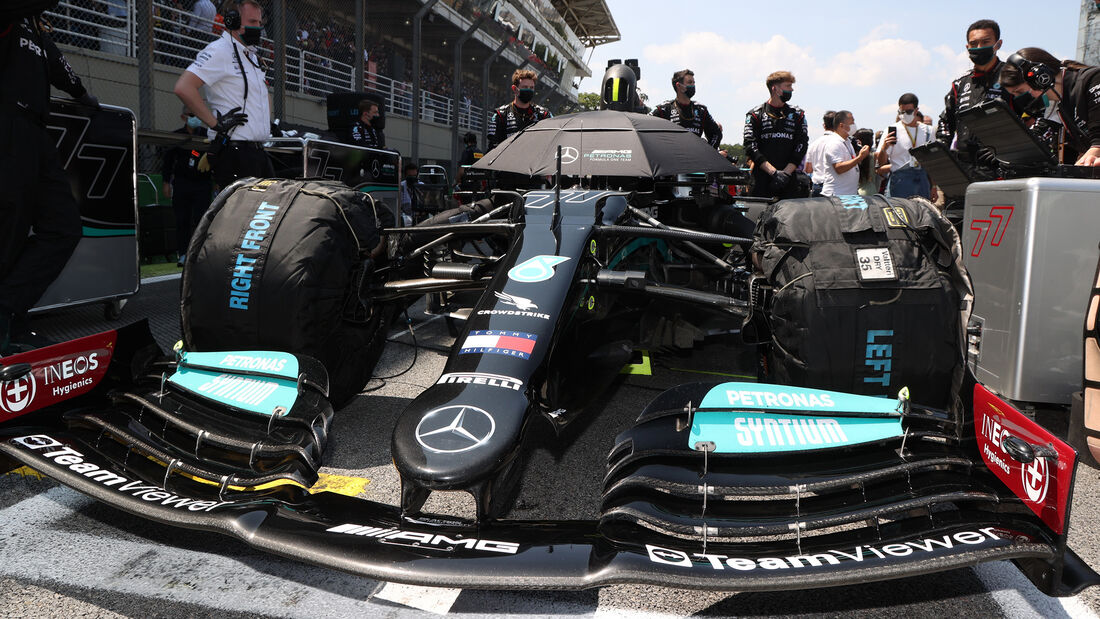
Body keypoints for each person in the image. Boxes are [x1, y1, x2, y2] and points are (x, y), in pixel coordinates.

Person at [0, 9, 99, 354]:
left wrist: (81, 93)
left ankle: (8, 311)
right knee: (9, 225)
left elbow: (57, 64)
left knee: (64, 226)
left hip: (36, 134)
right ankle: (8, 323)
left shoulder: (37, 27)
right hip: (6, 123)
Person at [173, 0, 273, 189]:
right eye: (252, 22)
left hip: (258, 152)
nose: (258, 28)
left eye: (260, 23)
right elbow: (184, 87)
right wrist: (215, 123)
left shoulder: (251, 55)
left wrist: (267, 123)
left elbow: (263, 93)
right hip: (235, 152)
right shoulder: (219, 50)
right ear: (233, 21)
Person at [1001, 47, 1100, 167]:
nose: (1022, 99)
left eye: (1020, 92)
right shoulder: (1060, 106)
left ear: (1041, 78)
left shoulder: (1093, 79)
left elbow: (1097, 143)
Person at [936, 19, 1013, 160]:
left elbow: (1032, 117)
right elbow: (946, 121)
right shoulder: (959, 83)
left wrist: (1007, 149)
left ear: (998, 44)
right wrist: (942, 149)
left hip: (1002, 166)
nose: (979, 47)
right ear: (967, 47)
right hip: (966, 165)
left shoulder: (1012, 76)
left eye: (985, 42)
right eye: (974, 44)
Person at [743, 70, 809, 199]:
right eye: (788, 86)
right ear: (775, 89)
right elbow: (750, 146)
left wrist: (785, 174)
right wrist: (773, 173)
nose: (792, 90)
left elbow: (802, 144)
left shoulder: (798, 114)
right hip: (761, 178)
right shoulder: (755, 114)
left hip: (788, 178)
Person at [163, 105, 213, 267]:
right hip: (182, 182)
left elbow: (216, 157)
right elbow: (167, 162)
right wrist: (166, 182)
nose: (195, 118)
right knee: (181, 219)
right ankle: (183, 253)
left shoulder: (207, 135)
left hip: (202, 183)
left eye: (197, 114)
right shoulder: (177, 136)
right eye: (192, 115)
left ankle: (199, 251)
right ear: (184, 117)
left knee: (201, 218)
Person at [876, 93, 935, 198]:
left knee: (922, 213)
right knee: (898, 213)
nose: (904, 115)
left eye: (908, 112)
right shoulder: (891, 130)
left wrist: (933, 186)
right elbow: (881, 163)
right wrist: (884, 148)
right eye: (901, 112)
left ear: (916, 110)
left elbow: (933, 163)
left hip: (922, 180)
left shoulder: (928, 131)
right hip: (899, 181)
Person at [651, 69, 722, 149]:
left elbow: (716, 134)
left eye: (694, 83)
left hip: (696, 158)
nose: (693, 85)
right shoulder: (664, 109)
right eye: (690, 82)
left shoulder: (701, 110)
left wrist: (708, 151)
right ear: (678, 86)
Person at [486, 69, 552, 150]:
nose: (528, 90)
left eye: (531, 88)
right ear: (514, 89)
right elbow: (492, 148)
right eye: (525, 87)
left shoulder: (543, 114)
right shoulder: (501, 115)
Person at [820, 111, 870, 197]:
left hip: (848, 195)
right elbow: (839, 168)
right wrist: (860, 157)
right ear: (841, 125)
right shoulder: (834, 143)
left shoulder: (847, 141)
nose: (854, 125)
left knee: (862, 209)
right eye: (852, 122)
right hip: (837, 195)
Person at [804, 111, 836, 197]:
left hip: (817, 186)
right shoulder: (839, 142)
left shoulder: (814, 144)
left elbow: (808, 169)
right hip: (834, 187)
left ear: (824, 125)